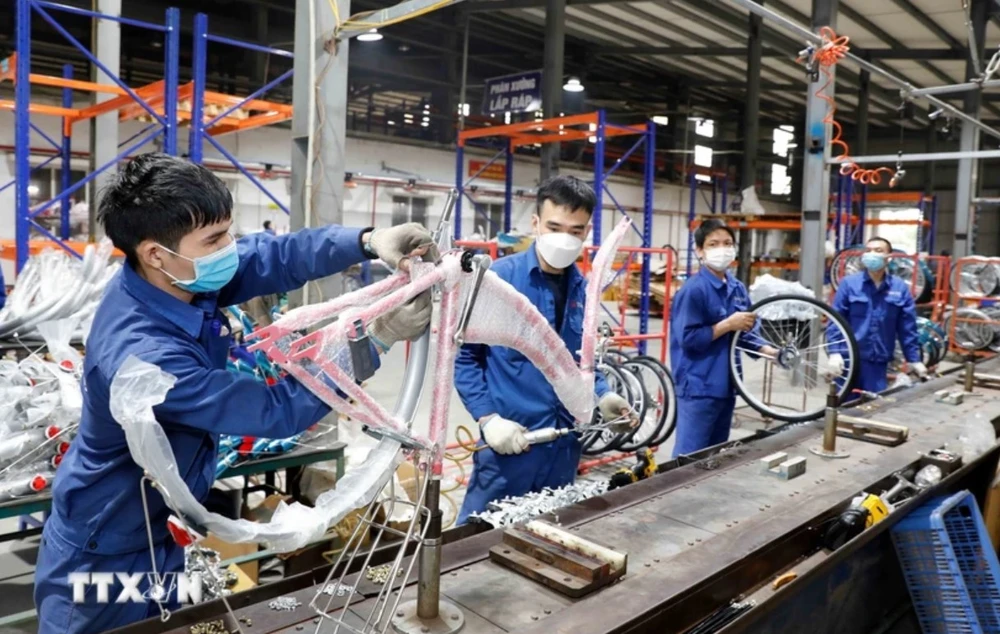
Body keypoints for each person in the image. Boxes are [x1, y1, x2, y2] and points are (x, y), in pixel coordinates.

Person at [34, 153, 435, 633]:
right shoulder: (144, 357)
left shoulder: (180, 279)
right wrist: (375, 340)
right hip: (104, 551)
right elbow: (276, 409)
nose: (230, 247)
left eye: (228, 231)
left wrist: (367, 241)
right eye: (215, 239)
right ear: (154, 252)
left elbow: (275, 257)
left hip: (160, 526)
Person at [454, 175, 632, 523]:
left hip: (564, 447)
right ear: (535, 223)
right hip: (511, 446)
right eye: (554, 226)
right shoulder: (499, 282)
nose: (565, 238)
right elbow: (465, 359)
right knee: (475, 543)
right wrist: (488, 419)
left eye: (576, 230)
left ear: (587, 231)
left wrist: (602, 395)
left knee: (548, 537)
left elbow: (580, 361)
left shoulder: (584, 289)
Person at [669, 219, 778, 457]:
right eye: (713, 243)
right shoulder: (693, 291)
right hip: (699, 386)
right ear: (700, 251)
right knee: (689, 457)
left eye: (727, 243)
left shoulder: (737, 288)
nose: (722, 249)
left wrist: (771, 352)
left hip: (727, 386)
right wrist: (727, 324)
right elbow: (689, 340)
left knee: (715, 455)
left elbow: (746, 333)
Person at [827, 237, 926, 394]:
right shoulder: (849, 284)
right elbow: (836, 320)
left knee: (873, 407)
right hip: (848, 359)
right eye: (868, 251)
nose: (871, 254)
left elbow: (907, 328)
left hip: (877, 362)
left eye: (878, 251)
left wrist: (914, 359)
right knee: (843, 409)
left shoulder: (899, 287)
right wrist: (834, 352)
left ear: (889, 257)